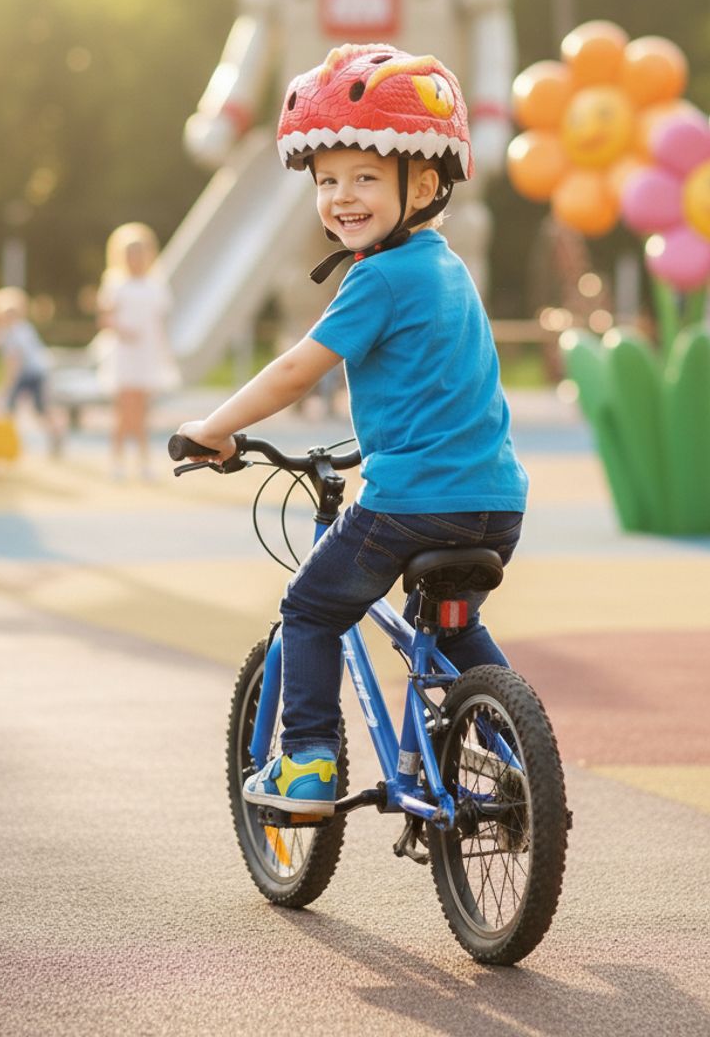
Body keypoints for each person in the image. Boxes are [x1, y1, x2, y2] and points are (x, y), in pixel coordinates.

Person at [176, 44, 529, 816]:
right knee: (451, 625)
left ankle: (306, 762)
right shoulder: (447, 269)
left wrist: (215, 428)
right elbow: (439, 388)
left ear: (425, 182)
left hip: (410, 502)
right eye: (327, 180)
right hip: (495, 501)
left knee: (309, 609)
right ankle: (520, 753)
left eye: (366, 176)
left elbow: (296, 371)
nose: (342, 196)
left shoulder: (377, 277)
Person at [97, 222, 179, 480]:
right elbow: (105, 319)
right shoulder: (115, 284)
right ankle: (117, 461)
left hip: (147, 354)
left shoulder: (157, 285)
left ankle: (144, 462)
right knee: (124, 411)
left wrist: (164, 353)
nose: (136, 259)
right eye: (131, 254)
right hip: (124, 355)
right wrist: (123, 331)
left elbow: (160, 324)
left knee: (142, 413)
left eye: (140, 253)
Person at [0, 286, 63, 454]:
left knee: (21, 407)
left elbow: (14, 364)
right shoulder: (16, 328)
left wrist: (3, 389)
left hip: (34, 373)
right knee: (36, 409)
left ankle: (9, 440)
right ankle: (53, 434)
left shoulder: (15, 333)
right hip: (35, 371)